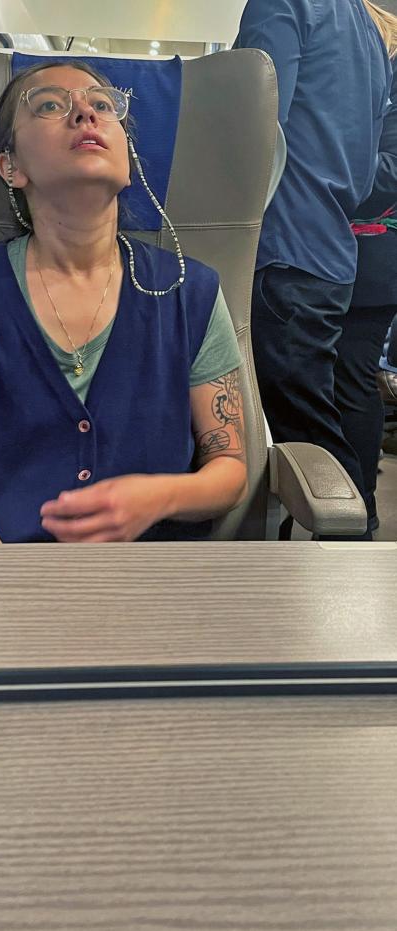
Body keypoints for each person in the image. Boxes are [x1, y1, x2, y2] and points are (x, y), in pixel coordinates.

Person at [0, 61, 248, 544]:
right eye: (49, 105)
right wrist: (18, 600)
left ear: (128, 161)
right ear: (11, 166)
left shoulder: (191, 294)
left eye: (103, 105)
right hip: (5, 581)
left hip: (158, 584)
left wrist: (158, 497)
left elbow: (229, 468)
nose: (85, 112)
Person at [234, 0, 395, 540]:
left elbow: (250, 121)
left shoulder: (286, 3)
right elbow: (371, 171)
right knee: (309, 421)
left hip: (278, 245)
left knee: (306, 439)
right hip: (326, 249)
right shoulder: (368, 34)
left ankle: (349, 570)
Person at [341, 59, 397, 532]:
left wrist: (327, 170)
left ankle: (358, 506)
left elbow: (386, 174)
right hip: (364, 252)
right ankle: (356, 502)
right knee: (350, 375)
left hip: (374, 254)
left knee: (351, 374)